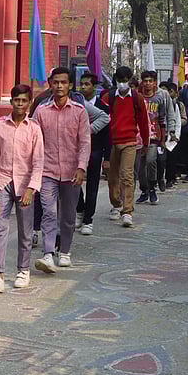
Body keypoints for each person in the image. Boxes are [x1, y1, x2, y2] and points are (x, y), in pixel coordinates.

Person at [0, 84, 44, 293]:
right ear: (11, 102)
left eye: (23, 101)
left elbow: (38, 162)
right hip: (3, 182)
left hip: (25, 185)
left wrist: (31, 188)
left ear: (29, 103)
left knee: (25, 231)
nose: (19, 104)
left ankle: (23, 270)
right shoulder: (0, 125)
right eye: (16, 100)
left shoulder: (34, 128)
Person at [33, 67, 91, 271]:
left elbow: (84, 142)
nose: (59, 86)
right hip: (46, 171)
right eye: (55, 82)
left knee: (68, 215)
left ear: (70, 85)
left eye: (63, 82)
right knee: (48, 212)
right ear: (50, 84)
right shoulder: (40, 111)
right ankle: (48, 253)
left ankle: (64, 251)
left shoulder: (79, 111)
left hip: (71, 172)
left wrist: (81, 167)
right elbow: (34, 141)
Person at [101, 66, 149, 228]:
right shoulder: (109, 98)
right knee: (112, 177)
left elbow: (143, 123)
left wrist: (146, 143)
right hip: (113, 142)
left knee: (127, 176)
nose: (122, 84)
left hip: (130, 141)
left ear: (130, 80)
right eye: (119, 80)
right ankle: (116, 204)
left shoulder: (137, 98)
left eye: (125, 81)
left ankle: (127, 211)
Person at [135, 71, 180, 205]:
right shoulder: (137, 96)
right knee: (140, 165)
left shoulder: (162, 95)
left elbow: (169, 114)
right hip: (138, 135)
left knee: (151, 161)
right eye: (145, 81)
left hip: (155, 134)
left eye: (150, 81)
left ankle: (153, 187)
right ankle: (144, 190)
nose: (147, 84)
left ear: (155, 82)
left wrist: (171, 131)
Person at [75, 73, 109, 235]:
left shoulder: (103, 107)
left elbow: (108, 133)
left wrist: (107, 157)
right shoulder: (75, 103)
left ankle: (88, 219)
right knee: (74, 183)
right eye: (81, 84)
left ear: (94, 87)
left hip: (95, 150)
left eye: (87, 84)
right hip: (75, 151)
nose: (83, 87)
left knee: (92, 186)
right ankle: (80, 209)